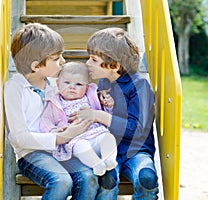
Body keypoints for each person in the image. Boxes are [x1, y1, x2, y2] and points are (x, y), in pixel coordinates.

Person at [3, 23, 100, 200]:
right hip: (32, 154)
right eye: (56, 58)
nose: (63, 61)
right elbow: (18, 137)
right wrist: (59, 138)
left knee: (88, 177)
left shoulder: (56, 85)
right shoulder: (14, 88)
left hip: (62, 150)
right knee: (61, 181)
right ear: (36, 66)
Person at [70, 27, 159, 199]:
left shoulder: (140, 86)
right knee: (107, 179)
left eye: (94, 59)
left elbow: (138, 129)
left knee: (146, 178)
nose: (88, 63)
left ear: (115, 66)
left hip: (137, 151)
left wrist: (98, 115)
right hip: (109, 150)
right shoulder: (103, 83)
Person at [40, 62, 117, 176]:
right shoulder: (54, 103)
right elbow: (45, 120)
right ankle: (96, 164)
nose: (72, 87)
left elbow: (104, 113)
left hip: (97, 133)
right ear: (57, 83)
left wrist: (108, 105)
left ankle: (109, 159)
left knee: (108, 137)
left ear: (86, 87)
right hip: (76, 139)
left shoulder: (92, 97)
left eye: (79, 84)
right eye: (67, 82)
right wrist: (52, 131)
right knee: (80, 147)